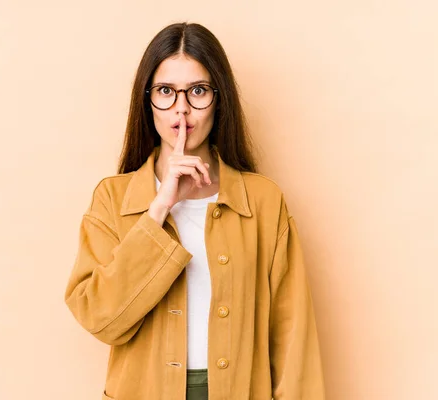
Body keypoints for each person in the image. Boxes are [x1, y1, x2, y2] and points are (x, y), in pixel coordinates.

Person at [64, 22, 325, 400]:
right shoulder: (113, 199)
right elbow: (100, 318)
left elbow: (293, 340)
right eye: (166, 91)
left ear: (219, 100)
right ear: (147, 100)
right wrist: (158, 208)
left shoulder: (264, 202)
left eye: (198, 91)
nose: (182, 108)